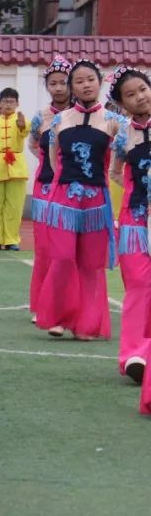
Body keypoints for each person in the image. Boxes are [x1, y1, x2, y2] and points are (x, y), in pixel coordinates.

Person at [36, 60, 124, 341]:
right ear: (72, 87)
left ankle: (87, 323)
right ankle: (59, 318)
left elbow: (117, 163)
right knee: (61, 258)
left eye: (91, 80)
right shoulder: (60, 120)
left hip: (96, 202)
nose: (86, 85)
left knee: (91, 264)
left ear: (100, 83)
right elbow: (54, 159)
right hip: (63, 202)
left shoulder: (114, 122)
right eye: (79, 81)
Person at [107, 66, 151, 384]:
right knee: (138, 284)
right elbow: (114, 171)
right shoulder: (123, 134)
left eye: (143, 89)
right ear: (123, 104)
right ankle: (134, 354)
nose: (139, 97)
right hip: (135, 221)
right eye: (130, 95)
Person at [28, 56, 71, 321]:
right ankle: (42, 304)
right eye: (52, 83)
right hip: (45, 187)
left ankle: (66, 303)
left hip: (72, 187)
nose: (58, 88)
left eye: (62, 82)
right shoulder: (40, 116)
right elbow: (33, 143)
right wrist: (49, 163)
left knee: (66, 248)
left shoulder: (80, 115)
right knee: (44, 247)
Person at [0, 88, 30, 251]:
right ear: (0, 103)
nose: (8, 104)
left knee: (14, 206)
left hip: (16, 167)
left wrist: (22, 125)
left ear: (17, 103)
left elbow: (25, 132)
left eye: (11, 101)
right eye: (5, 101)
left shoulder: (22, 120)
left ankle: (11, 239)